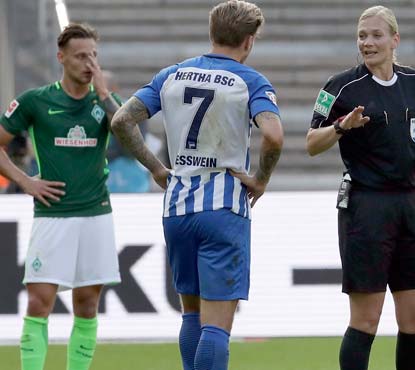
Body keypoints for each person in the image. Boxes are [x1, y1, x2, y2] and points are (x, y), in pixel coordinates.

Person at [110, 2, 283, 370]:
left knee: (191, 316)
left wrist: (157, 168)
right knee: (218, 324)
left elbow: (122, 120)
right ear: (249, 41)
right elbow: (273, 135)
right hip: (222, 208)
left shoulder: (172, 75)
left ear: (212, 32)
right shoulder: (249, 81)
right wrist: (261, 180)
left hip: (177, 207)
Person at [306, 6, 415, 370]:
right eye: (362, 36)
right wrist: (340, 127)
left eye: (376, 35)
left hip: (410, 202)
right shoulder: (339, 87)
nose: (367, 42)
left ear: (395, 40)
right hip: (366, 206)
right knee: (366, 320)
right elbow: (311, 143)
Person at [0, 23, 121, 370]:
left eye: (94, 56)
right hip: (53, 215)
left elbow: (128, 139)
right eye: (81, 56)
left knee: (87, 304)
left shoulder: (106, 102)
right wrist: (26, 181)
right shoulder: (36, 101)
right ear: (61, 58)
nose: (89, 63)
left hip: (96, 213)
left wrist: (104, 95)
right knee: (39, 303)